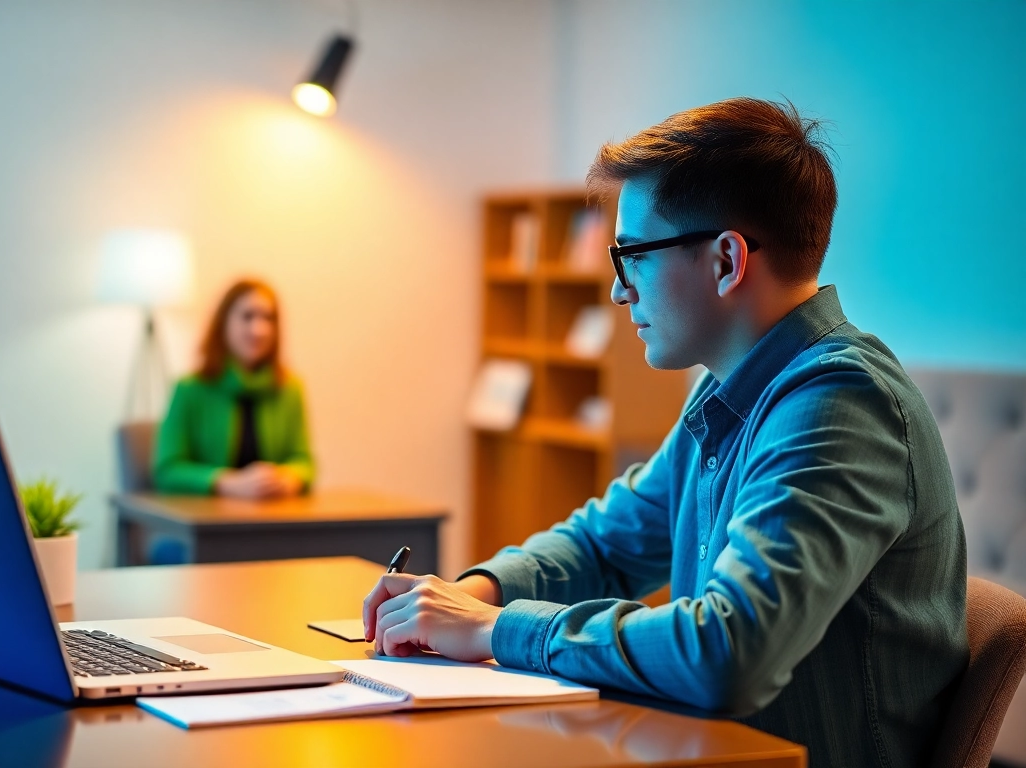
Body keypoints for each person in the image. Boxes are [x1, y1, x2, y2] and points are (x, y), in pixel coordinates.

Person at [362, 98, 966, 767]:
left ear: (726, 261)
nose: (620, 294)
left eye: (633, 257)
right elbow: (606, 544)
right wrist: (476, 593)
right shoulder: (730, 391)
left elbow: (730, 651)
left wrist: (499, 631)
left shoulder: (840, 404)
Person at [153, 278, 315, 499]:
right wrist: (226, 482)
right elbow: (168, 471)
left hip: (272, 519)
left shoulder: (290, 388)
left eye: (268, 318)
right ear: (223, 323)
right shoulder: (190, 389)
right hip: (208, 522)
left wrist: (286, 477)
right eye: (247, 316)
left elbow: (305, 462)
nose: (259, 329)